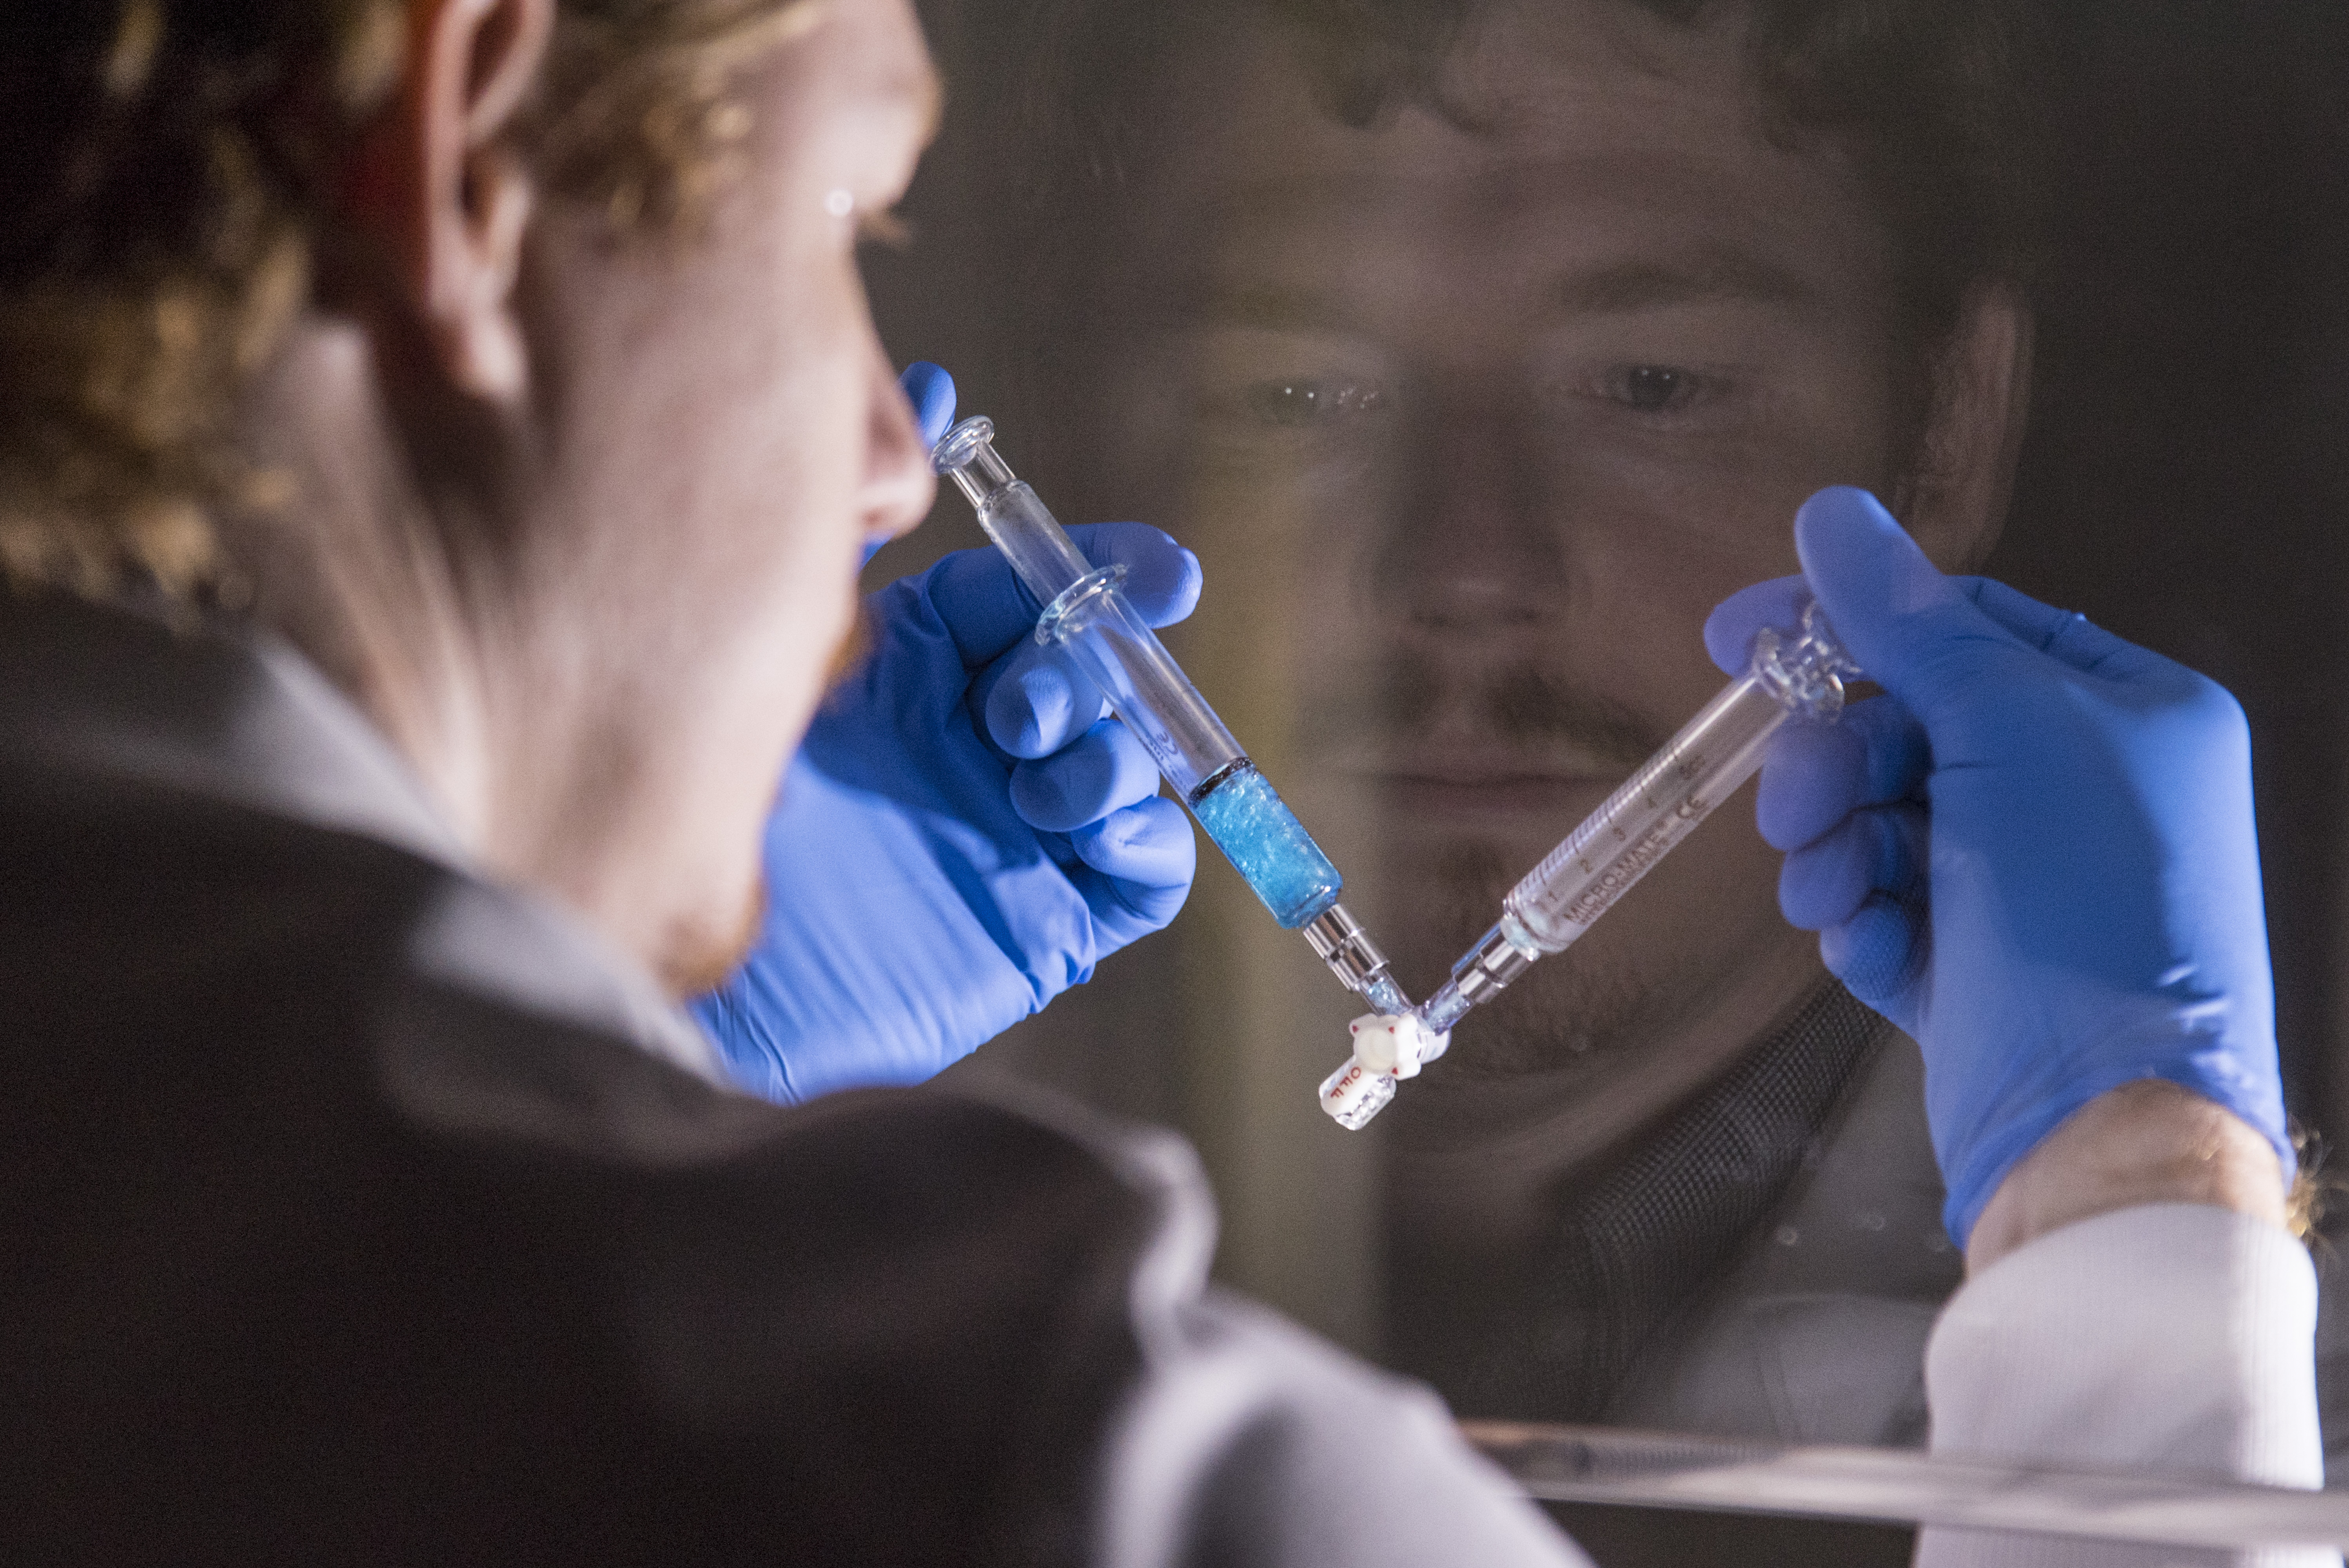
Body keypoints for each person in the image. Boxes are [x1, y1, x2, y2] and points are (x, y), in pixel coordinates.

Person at [0, 2, 2325, 1566]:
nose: (898, 456)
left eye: (1645, 378)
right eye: (844, 231)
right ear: (469, 157)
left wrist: (604, 1027)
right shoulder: (1040, 1458)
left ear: (1952, 420)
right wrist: (2136, 1232)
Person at [915, 0, 2115, 1454]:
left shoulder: (2238, 1351)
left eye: (1652, 386)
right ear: (1073, 437)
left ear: (1948, 433)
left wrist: (2151, 1201)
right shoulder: (837, 1237)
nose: (1468, 571)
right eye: (1294, 392)